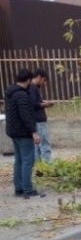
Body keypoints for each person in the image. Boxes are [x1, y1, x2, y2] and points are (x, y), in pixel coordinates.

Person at [4, 68, 45, 198]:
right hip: (23, 132)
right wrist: (34, 132)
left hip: (13, 131)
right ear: (27, 80)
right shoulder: (22, 95)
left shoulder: (10, 92)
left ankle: (19, 188)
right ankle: (27, 189)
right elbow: (25, 115)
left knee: (19, 160)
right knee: (28, 160)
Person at [30, 68, 55, 162]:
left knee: (37, 146)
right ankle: (47, 166)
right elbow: (33, 104)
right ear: (39, 77)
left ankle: (39, 168)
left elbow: (36, 102)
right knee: (44, 144)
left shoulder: (31, 87)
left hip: (35, 120)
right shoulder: (33, 87)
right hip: (39, 120)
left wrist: (44, 102)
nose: (43, 83)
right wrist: (47, 104)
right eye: (44, 80)